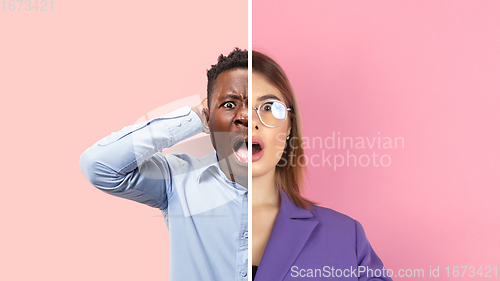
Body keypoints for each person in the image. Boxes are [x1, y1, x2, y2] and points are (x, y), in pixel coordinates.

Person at [79, 48, 250, 281]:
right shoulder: (177, 179)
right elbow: (98, 165)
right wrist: (195, 118)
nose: (245, 117)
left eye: (261, 107)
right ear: (210, 117)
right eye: (229, 104)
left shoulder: (292, 202)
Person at [251, 51, 392, 281]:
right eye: (231, 105)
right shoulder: (187, 220)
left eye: (268, 107)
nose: (252, 123)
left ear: (288, 128)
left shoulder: (346, 238)